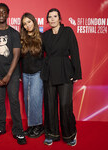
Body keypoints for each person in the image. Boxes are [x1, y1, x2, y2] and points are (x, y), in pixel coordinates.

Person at [0, 3, 27, 145]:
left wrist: (9, 75)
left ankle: (18, 131)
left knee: (14, 101)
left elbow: (16, 55)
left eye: (4, 12)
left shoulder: (14, 34)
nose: (1, 14)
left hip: (13, 74)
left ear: (8, 14)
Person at [41, 8, 82, 146]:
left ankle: (69, 134)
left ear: (60, 18)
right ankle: (51, 134)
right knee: (50, 104)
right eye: (50, 17)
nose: (52, 19)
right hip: (50, 71)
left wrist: (76, 73)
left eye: (55, 16)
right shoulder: (45, 35)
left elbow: (75, 52)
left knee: (65, 105)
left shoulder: (68, 31)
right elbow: (38, 53)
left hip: (65, 70)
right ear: (47, 20)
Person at [20, 12, 44, 138]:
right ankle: (31, 126)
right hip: (25, 73)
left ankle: (38, 127)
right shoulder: (21, 38)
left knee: (35, 100)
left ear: (34, 22)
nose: (27, 25)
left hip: (37, 73)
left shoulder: (41, 36)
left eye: (29, 22)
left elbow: (49, 56)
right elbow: (18, 58)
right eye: (24, 23)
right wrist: (19, 74)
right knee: (27, 100)